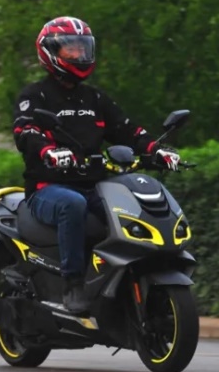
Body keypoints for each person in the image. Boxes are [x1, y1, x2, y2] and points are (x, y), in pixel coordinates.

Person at [12, 16, 180, 314]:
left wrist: (157, 151)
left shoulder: (95, 98)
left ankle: (123, 278)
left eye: (83, 47)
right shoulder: (34, 96)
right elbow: (26, 131)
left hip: (95, 186)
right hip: (47, 188)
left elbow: (129, 131)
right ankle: (73, 284)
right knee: (72, 204)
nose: (79, 54)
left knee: (131, 206)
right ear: (50, 52)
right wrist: (49, 151)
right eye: (70, 48)